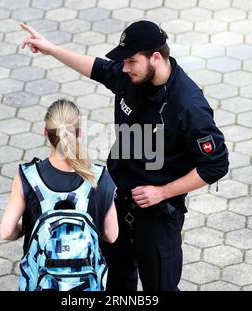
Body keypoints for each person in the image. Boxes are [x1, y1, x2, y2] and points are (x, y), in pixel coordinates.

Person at [19, 20, 229, 291]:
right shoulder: (132, 77)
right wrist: (52, 49)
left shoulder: (188, 105)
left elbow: (216, 165)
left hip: (156, 214)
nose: (125, 67)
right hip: (114, 201)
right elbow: (97, 68)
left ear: (155, 57)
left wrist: (164, 192)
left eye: (131, 61)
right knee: (114, 282)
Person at [0, 99, 119, 290]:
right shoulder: (100, 178)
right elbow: (111, 235)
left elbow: (6, 231)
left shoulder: (28, 177)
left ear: (45, 132)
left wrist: (28, 226)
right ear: (79, 133)